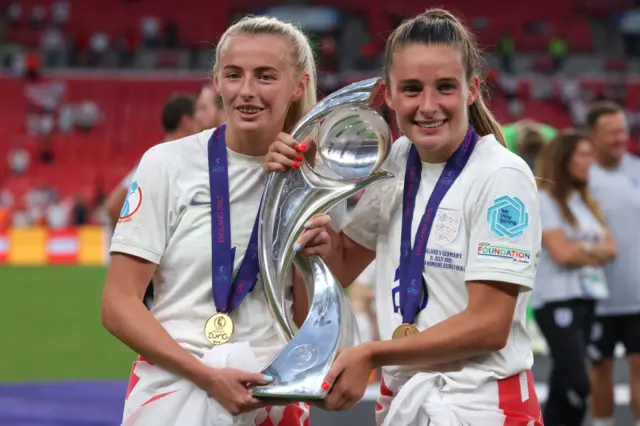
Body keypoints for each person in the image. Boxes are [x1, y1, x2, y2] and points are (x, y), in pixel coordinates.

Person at [266, 8, 544, 425]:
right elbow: (340, 266)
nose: (428, 106)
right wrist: (304, 196)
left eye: (445, 88)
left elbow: (489, 325)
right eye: (411, 90)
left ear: (472, 89)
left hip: (483, 406)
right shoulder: (396, 161)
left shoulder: (500, 175)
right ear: (389, 95)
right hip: (405, 402)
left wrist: (373, 353)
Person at [101, 16, 322, 426]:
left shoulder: (314, 177)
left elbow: (309, 320)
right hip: (173, 389)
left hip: (271, 394)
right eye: (234, 75)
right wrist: (207, 377)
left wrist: (303, 215)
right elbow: (118, 304)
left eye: (266, 76)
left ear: (298, 85)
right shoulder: (167, 163)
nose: (247, 91)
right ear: (217, 81)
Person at [532, 130, 617, 426]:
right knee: (578, 381)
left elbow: (612, 248)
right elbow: (562, 254)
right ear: (564, 160)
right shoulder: (545, 200)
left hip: (588, 299)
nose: (591, 161)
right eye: (583, 154)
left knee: (563, 380)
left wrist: (580, 248)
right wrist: (591, 251)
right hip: (556, 301)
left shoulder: (584, 202)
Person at [585, 101, 640, 426]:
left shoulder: (636, 168)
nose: (620, 138)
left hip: (637, 292)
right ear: (592, 137)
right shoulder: (580, 177)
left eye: (622, 130)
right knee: (600, 367)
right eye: (612, 133)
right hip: (597, 296)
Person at [104, 94, 200, 228]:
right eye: (198, 115)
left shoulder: (168, 156)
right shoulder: (161, 157)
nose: (202, 122)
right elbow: (113, 206)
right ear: (187, 122)